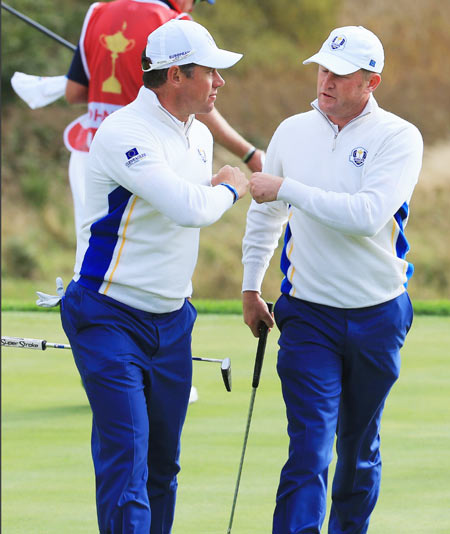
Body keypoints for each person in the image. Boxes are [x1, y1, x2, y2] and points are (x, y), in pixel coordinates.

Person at [60, 19, 248, 534]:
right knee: (128, 463)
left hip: (172, 322)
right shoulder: (124, 132)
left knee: (163, 468)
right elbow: (190, 208)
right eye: (210, 72)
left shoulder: (201, 135)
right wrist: (230, 187)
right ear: (174, 76)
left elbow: (185, 199)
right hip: (108, 314)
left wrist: (214, 188)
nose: (220, 82)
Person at [241, 26, 423, 534]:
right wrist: (251, 285)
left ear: (372, 81)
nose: (327, 81)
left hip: (378, 313)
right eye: (323, 68)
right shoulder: (292, 131)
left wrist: (287, 187)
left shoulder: (399, 137)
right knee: (309, 448)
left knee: (358, 452)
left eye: (341, 74)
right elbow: (266, 215)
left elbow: (366, 215)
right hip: (308, 314)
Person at [64, 0, 264, 235]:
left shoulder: (97, 13)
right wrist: (248, 154)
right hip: (140, 145)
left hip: (89, 154)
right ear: (175, 74)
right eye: (195, 0)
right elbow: (188, 103)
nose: (192, 7)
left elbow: (73, 92)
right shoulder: (177, 28)